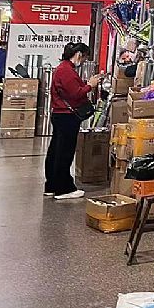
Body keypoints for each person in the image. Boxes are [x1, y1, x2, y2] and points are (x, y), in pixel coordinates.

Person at [45, 42, 104, 200]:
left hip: (60, 115)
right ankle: (63, 188)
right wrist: (90, 86)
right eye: (84, 58)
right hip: (66, 117)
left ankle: (52, 185)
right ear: (78, 54)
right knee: (64, 152)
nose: (83, 61)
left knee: (56, 151)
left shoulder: (63, 69)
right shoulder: (66, 70)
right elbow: (75, 94)